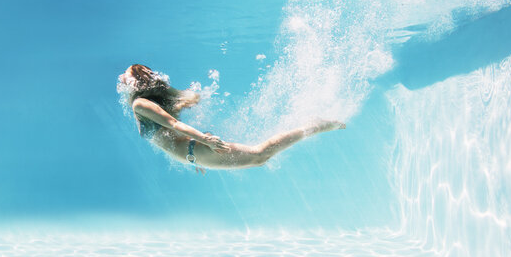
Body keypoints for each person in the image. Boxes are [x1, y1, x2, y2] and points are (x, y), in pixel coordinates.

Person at [117, 64, 345, 173]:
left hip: (196, 149)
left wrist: (204, 144)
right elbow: (171, 133)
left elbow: (174, 125)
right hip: (194, 152)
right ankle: (311, 126)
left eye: (125, 75)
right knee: (260, 157)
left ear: (138, 81)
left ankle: (312, 126)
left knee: (260, 155)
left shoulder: (140, 104)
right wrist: (194, 159)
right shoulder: (149, 103)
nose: (121, 77)